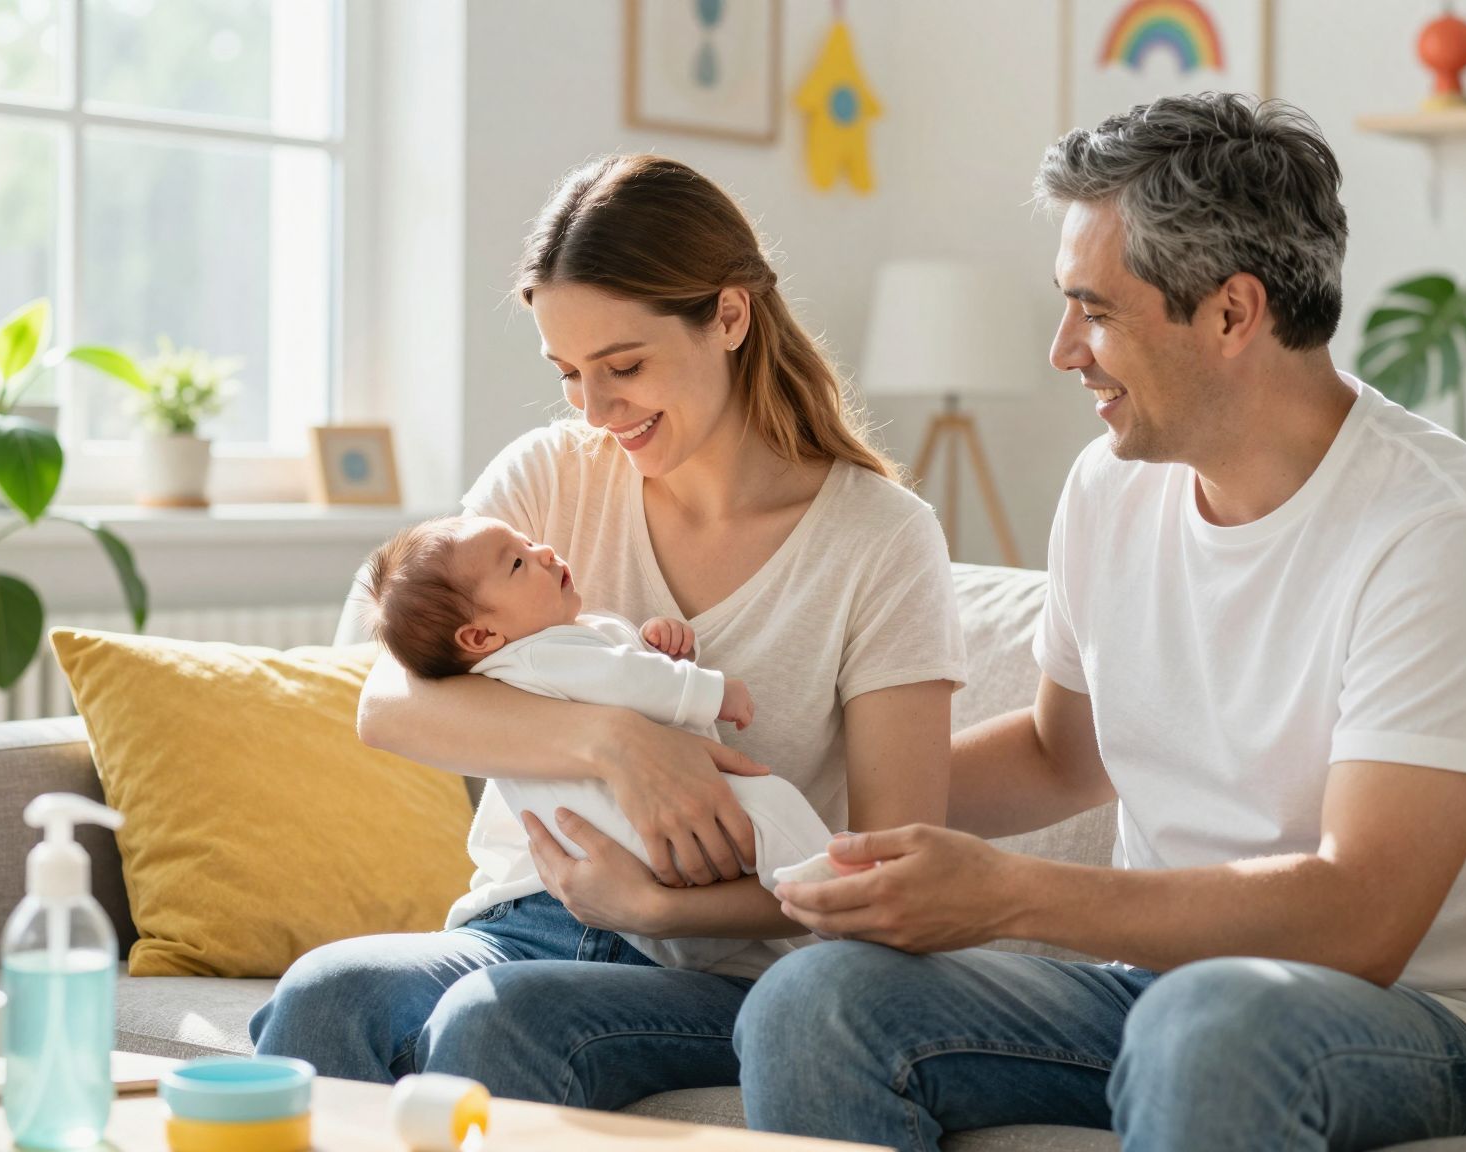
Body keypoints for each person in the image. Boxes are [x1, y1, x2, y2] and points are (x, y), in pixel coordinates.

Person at [741, 93, 1466, 1152]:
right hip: (1154, 998)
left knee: (1206, 1023)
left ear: (1230, 313)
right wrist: (801, 797)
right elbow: (1056, 755)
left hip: (1416, 1026)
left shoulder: (1438, 529)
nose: (1061, 351)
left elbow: (1362, 916)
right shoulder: (1108, 487)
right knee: (816, 1003)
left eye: (1094, 310)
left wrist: (1007, 899)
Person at [250, 153, 964, 1111]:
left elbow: (889, 875)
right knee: (327, 993)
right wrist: (622, 742)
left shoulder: (880, 539)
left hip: (726, 968)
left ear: (730, 316)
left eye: (623, 367)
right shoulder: (548, 478)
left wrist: (659, 907)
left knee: (496, 1020)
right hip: (520, 926)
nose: (593, 408)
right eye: (569, 374)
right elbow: (388, 702)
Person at [352, 513, 835, 975]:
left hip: (623, 864)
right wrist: (709, 690)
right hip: (629, 842)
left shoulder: (531, 657)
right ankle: (833, 881)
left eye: (525, 542)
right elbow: (627, 680)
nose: (541, 551)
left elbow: (622, 670)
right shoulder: (540, 656)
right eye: (517, 563)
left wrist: (663, 650)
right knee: (772, 805)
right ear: (480, 634)